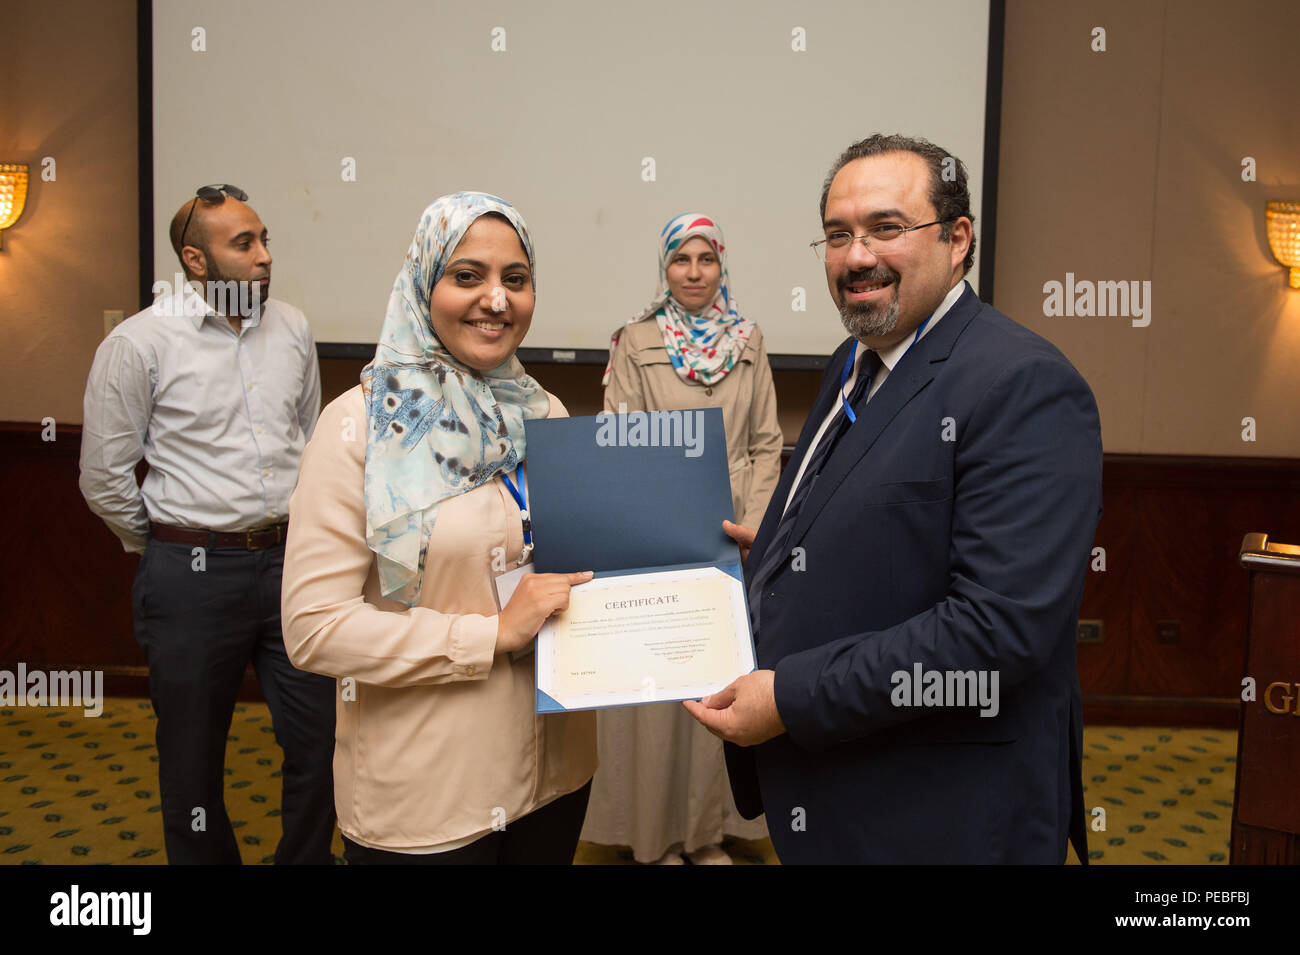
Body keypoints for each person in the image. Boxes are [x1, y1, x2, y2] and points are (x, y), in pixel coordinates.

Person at [684, 134, 1103, 864]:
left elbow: (992, 632)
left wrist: (789, 699)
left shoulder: (1023, 384)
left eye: (886, 228)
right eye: (839, 234)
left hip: (945, 813)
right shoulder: (857, 359)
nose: (856, 257)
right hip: (844, 794)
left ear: (957, 238)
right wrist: (789, 549)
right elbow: (878, 518)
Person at [280, 192, 597, 864]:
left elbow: (572, 562)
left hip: (557, 776)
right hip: (432, 798)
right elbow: (313, 626)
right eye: (467, 276)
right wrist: (491, 633)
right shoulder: (359, 427)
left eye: (516, 279)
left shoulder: (547, 413)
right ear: (425, 282)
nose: (496, 299)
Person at [79, 184, 336, 864]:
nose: (264, 257)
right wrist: (169, 541)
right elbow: (103, 476)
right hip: (190, 576)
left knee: (324, 738)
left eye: (265, 239)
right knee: (192, 758)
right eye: (243, 244)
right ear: (196, 259)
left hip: (291, 564)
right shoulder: (138, 343)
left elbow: (309, 442)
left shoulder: (293, 327)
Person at [582, 213, 781, 864]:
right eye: (681, 260)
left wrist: (749, 528)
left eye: (706, 259)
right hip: (659, 542)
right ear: (664, 268)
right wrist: (665, 521)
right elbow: (619, 441)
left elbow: (766, 442)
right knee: (661, 702)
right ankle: (657, 840)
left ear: (721, 266)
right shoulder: (634, 341)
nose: (694, 272)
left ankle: (706, 834)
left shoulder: (750, 339)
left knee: (720, 691)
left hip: (734, 543)